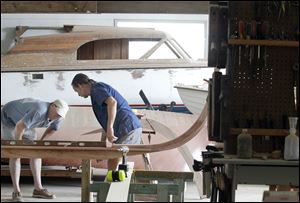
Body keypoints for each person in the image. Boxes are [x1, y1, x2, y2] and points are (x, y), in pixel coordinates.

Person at [1, 98, 69, 202]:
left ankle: (38, 189)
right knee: (15, 154)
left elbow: (53, 128)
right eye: (57, 113)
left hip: (24, 122)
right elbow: (19, 127)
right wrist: (18, 146)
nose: (57, 116)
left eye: (60, 115)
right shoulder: (39, 110)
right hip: (9, 118)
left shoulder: (59, 116)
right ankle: (16, 192)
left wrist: (41, 142)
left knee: (36, 153)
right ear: (52, 105)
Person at [71, 73, 142, 171]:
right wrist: (102, 145)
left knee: (114, 157)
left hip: (128, 126)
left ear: (80, 85)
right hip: (127, 127)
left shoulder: (96, 89)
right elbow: (106, 121)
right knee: (115, 158)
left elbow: (112, 102)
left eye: (77, 91)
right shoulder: (97, 90)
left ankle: (111, 183)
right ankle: (113, 181)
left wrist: (110, 128)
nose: (78, 94)